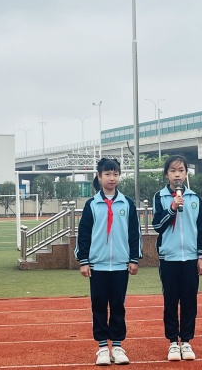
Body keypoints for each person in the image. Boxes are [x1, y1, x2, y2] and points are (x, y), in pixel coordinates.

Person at [75, 157, 142, 366]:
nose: (111, 178)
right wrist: (84, 261)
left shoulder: (127, 203)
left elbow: (134, 233)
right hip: (98, 265)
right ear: (99, 176)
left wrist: (134, 259)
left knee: (118, 305)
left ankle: (118, 346)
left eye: (115, 174)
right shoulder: (92, 204)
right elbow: (83, 235)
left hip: (121, 264)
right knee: (99, 305)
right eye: (107, 174)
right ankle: (103, 347)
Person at [152, 155, 202, 361]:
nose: (177, 175)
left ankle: (186, 341)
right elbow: (157, 226)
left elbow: (201, 229)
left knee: (189, 301)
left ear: (186, 173)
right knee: (170, 301)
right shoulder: (160, 197)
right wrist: (172, 208)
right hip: (169, 258)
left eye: (181, 170)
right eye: (173, 171)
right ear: (166, 174)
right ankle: (172, 343)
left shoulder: (194, 198)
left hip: (191, 258)